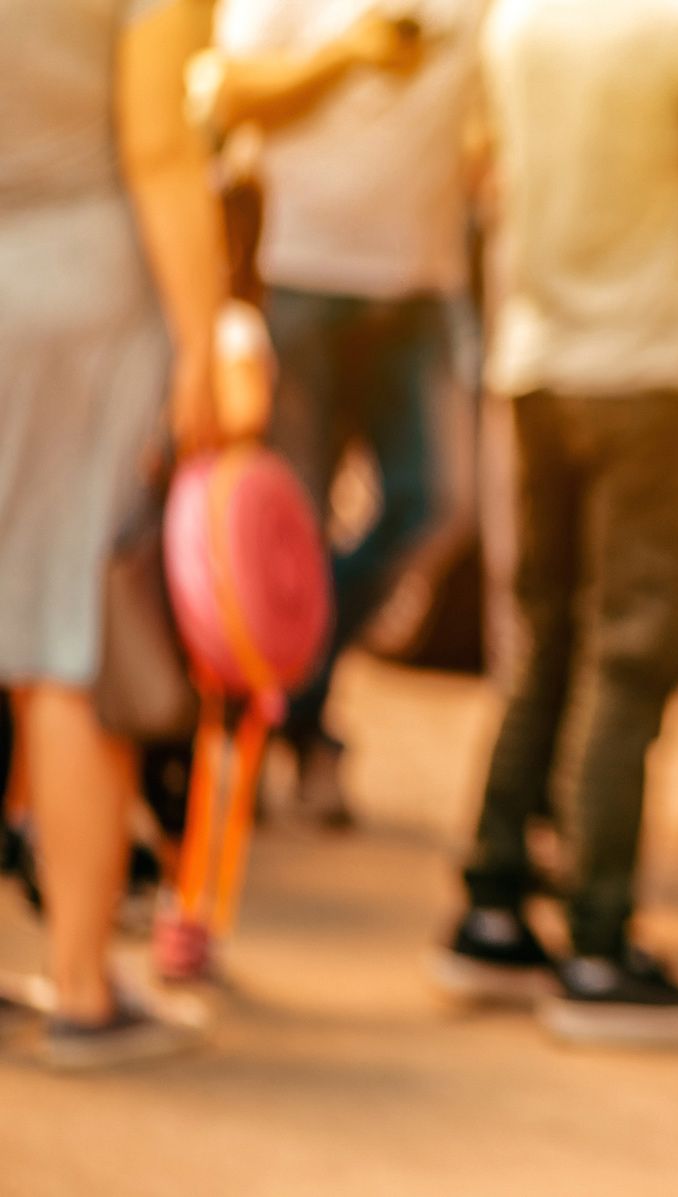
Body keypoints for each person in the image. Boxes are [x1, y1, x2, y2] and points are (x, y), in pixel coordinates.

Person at [432, 0, 678, 1046]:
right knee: (632, 651)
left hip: (537, 364)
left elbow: (479, 167)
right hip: (655, 369)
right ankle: (597, 944)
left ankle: (492, 905)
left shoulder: (517, 20)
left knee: (544, 633)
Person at [0, 0, 230, 1068]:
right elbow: (159, 142)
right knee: (66, 634)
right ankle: (85, 987)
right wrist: (207, 335)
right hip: (80, 294)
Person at [205, 0, 484, 827]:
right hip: (300, 274)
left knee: (436, 503)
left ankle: (290, 683)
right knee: (282, 528)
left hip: (423, 287)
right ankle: (266, 720)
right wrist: (348, 55)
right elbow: (226, 93)